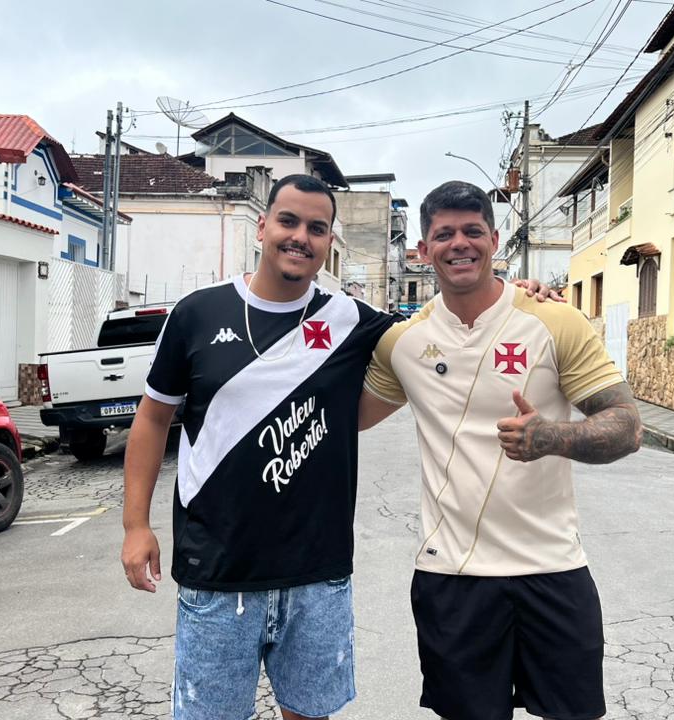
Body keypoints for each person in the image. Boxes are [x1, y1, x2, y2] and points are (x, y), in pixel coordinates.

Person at [120, 174, 562, 720]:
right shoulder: (197, 314)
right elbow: (152, 418)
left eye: (317, 227)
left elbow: (439, 324)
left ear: (331, 242)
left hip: (318, 574)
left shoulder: (351, 320)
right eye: (288, 221)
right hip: (216, 571)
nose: (300, 236)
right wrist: (135, 525)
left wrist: (524, 292)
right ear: (262, 226)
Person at [359, 180, 642, 720]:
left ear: (494, 240)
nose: (459, 244)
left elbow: (627, 428)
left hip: (552, 567)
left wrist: (551, 438)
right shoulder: (403, 343)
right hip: (453, 577)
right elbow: (348, 417)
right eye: (444, 234)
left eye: (472, 231)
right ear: (423, 250)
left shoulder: (554, 319)